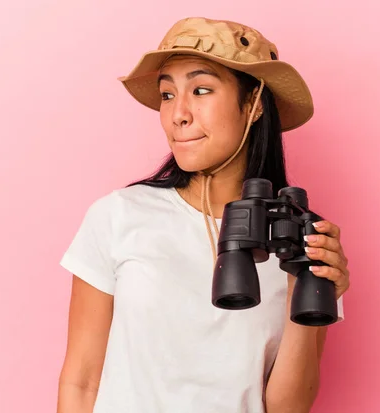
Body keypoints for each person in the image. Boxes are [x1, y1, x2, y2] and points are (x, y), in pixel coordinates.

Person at [56, 17, 350, 413]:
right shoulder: (119, 215)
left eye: (201, 89)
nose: (178, 114)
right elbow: (81, 382)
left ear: (254, 104)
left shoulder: (298, 235)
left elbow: (287, 408)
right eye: (166, 95)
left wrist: (305, 283)